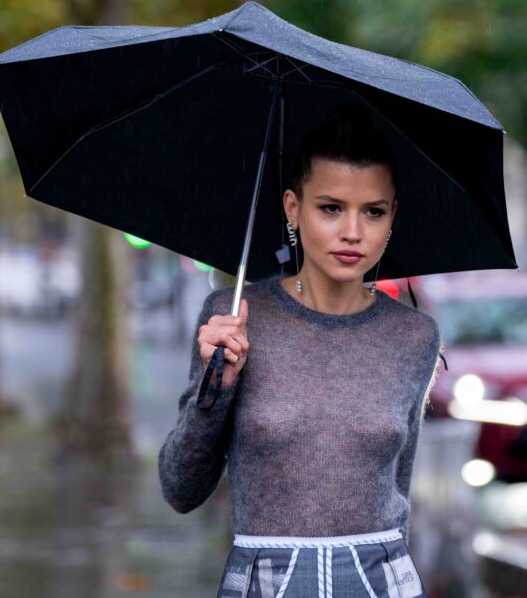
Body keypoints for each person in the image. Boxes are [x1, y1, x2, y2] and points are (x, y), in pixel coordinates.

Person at [158, 102, 443, 598]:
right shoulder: (232, 317)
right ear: (293, 207)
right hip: (266, 584)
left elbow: (400, 493)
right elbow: (181, 489)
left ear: (392, 214)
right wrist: (215, 389)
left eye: (372, 211)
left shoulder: (414, 337)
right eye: (330, 208)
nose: (352, 231)